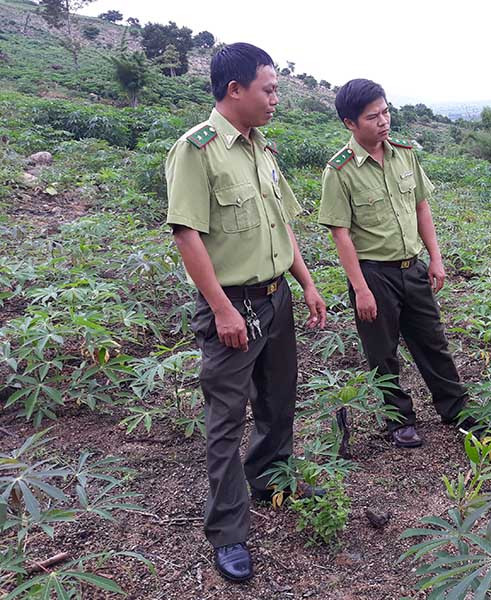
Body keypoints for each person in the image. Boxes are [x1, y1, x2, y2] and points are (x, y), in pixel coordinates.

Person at [165, 42, 327, 582]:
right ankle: (229, 531)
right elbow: (186, 235)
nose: (276, 98)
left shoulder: (263, 150)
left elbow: (284, 225)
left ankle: (270, 476)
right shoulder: (198, 149)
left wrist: (306, 284)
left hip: (275, 297)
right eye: (269, 89)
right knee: (227, 420)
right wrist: (221, 310)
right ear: (235, 90)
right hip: (232, 306)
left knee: (280, 402)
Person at [317, 78, 471, 449]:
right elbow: (341, 235)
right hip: (374, 273)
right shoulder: (339, 171)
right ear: (350, 123)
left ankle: (455, 409)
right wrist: (361, 289)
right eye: (373, 117)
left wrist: (435, 257)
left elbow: (421, 206)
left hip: (412, 266)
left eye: (386, 112)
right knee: (382, 352)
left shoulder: (404, 153)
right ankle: (399, 420)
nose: (384, 121)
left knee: (432, 341)